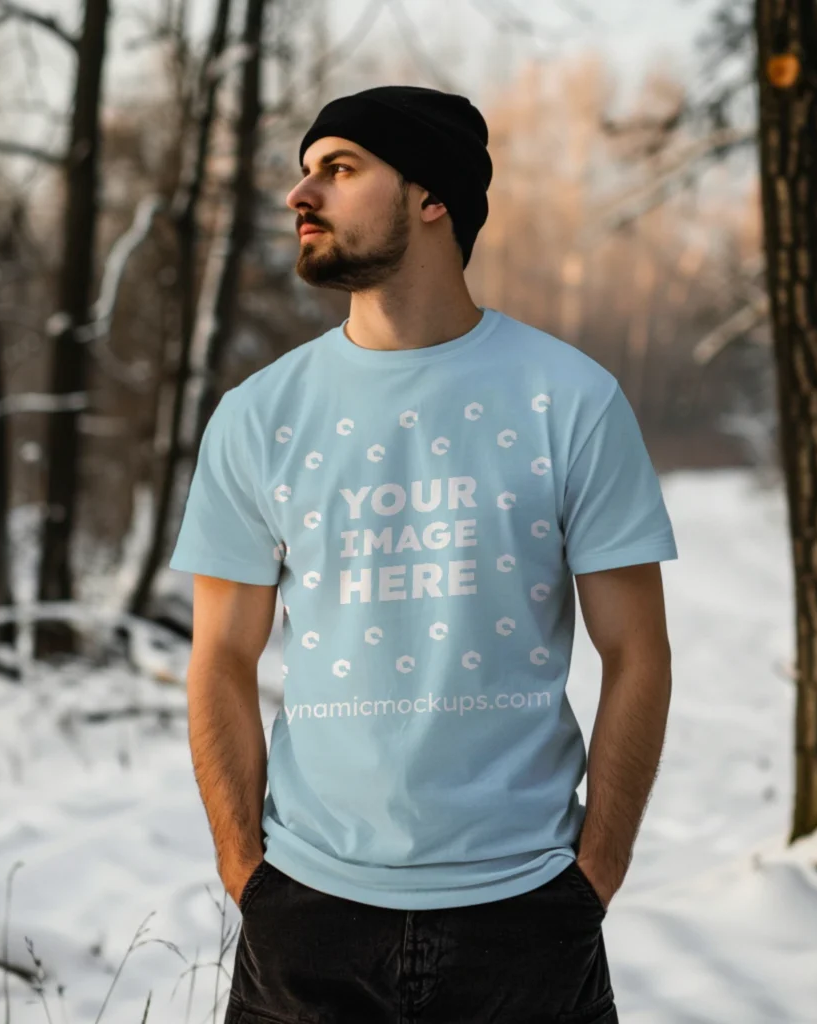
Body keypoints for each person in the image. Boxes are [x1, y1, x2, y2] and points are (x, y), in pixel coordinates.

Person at [169, 84, 677, 1024]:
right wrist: (246, 871)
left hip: (524, 917)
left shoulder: (571, 399)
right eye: (303, 170)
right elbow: (220, 659)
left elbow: (638, 653)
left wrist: (593, 875)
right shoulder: (260, 416)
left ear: (431, 197)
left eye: (340, 168)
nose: (300, 194)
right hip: (307, 914)